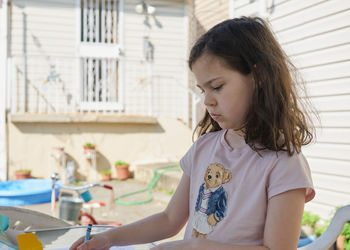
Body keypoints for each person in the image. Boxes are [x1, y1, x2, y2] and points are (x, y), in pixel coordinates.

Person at [70, 16, 316, 250]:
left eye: (217, 87)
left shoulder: (284, 164)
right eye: (202, 90)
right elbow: (169, 220)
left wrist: (196, 246)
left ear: (259, 77)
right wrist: (109, 238)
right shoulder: (204, 148)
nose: (207, 101)